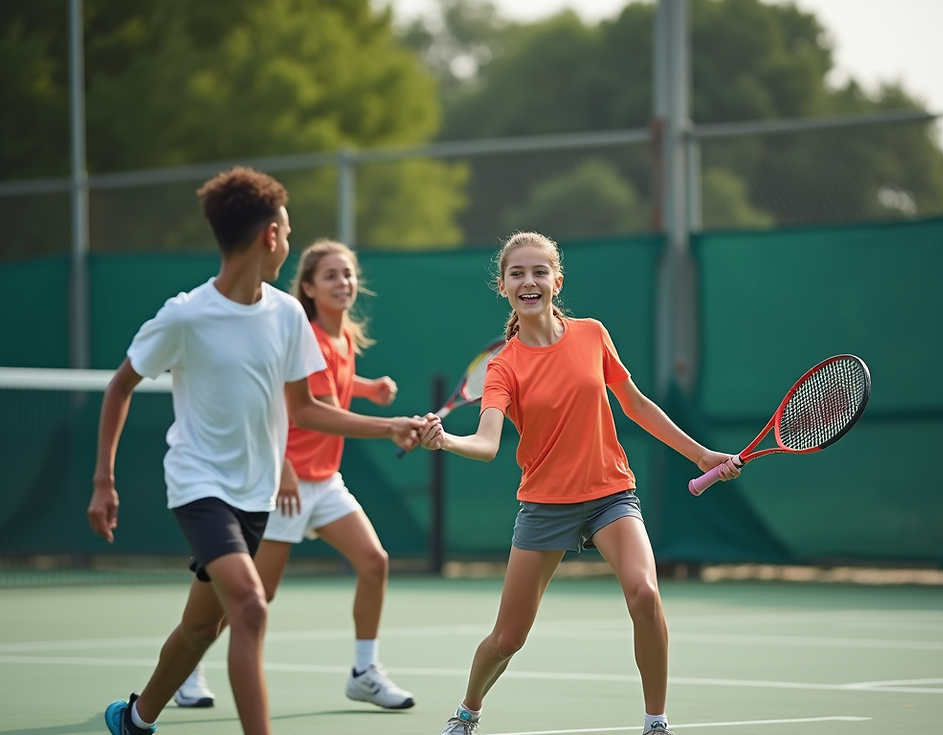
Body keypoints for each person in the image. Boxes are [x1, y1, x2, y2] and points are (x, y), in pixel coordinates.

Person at [86, 167, 424, 735]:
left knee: (201, 627)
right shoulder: (186, 315)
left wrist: (386, 425)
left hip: (257, 496)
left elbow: (307, 409)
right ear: (270, 235)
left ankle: (137, 718)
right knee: (250, 607)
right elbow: (121, 384)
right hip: (199, 487)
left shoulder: (289, 316)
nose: (288, 243)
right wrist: (103, 480)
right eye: (287, 232)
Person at [418, 232, 740, 735]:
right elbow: (486, 443)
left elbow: (635, 405)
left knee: (645, 595)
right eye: (517, 274)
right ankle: (468, 711)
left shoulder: (592, 334)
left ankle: (656, 722)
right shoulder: (503, 366)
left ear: (556, 280)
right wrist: (446, 443)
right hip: (545, 506)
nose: (529, 281)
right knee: (507, 639)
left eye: (538, 272)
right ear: (503, 286)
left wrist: (702, 454)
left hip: (611, 493)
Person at [176, 240, 415, 711]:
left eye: (347, 274)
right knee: (255, 595)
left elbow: (336, 388)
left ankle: (364, 672)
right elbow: (307, 413)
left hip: (324, 481)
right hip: (282, 483)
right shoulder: (307, 335)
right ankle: (187, 670)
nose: (343, 282)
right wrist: (390, 427)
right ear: (308, 287)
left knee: (374, 561)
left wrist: (370, 389)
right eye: (330, 276)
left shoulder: (343, 338)